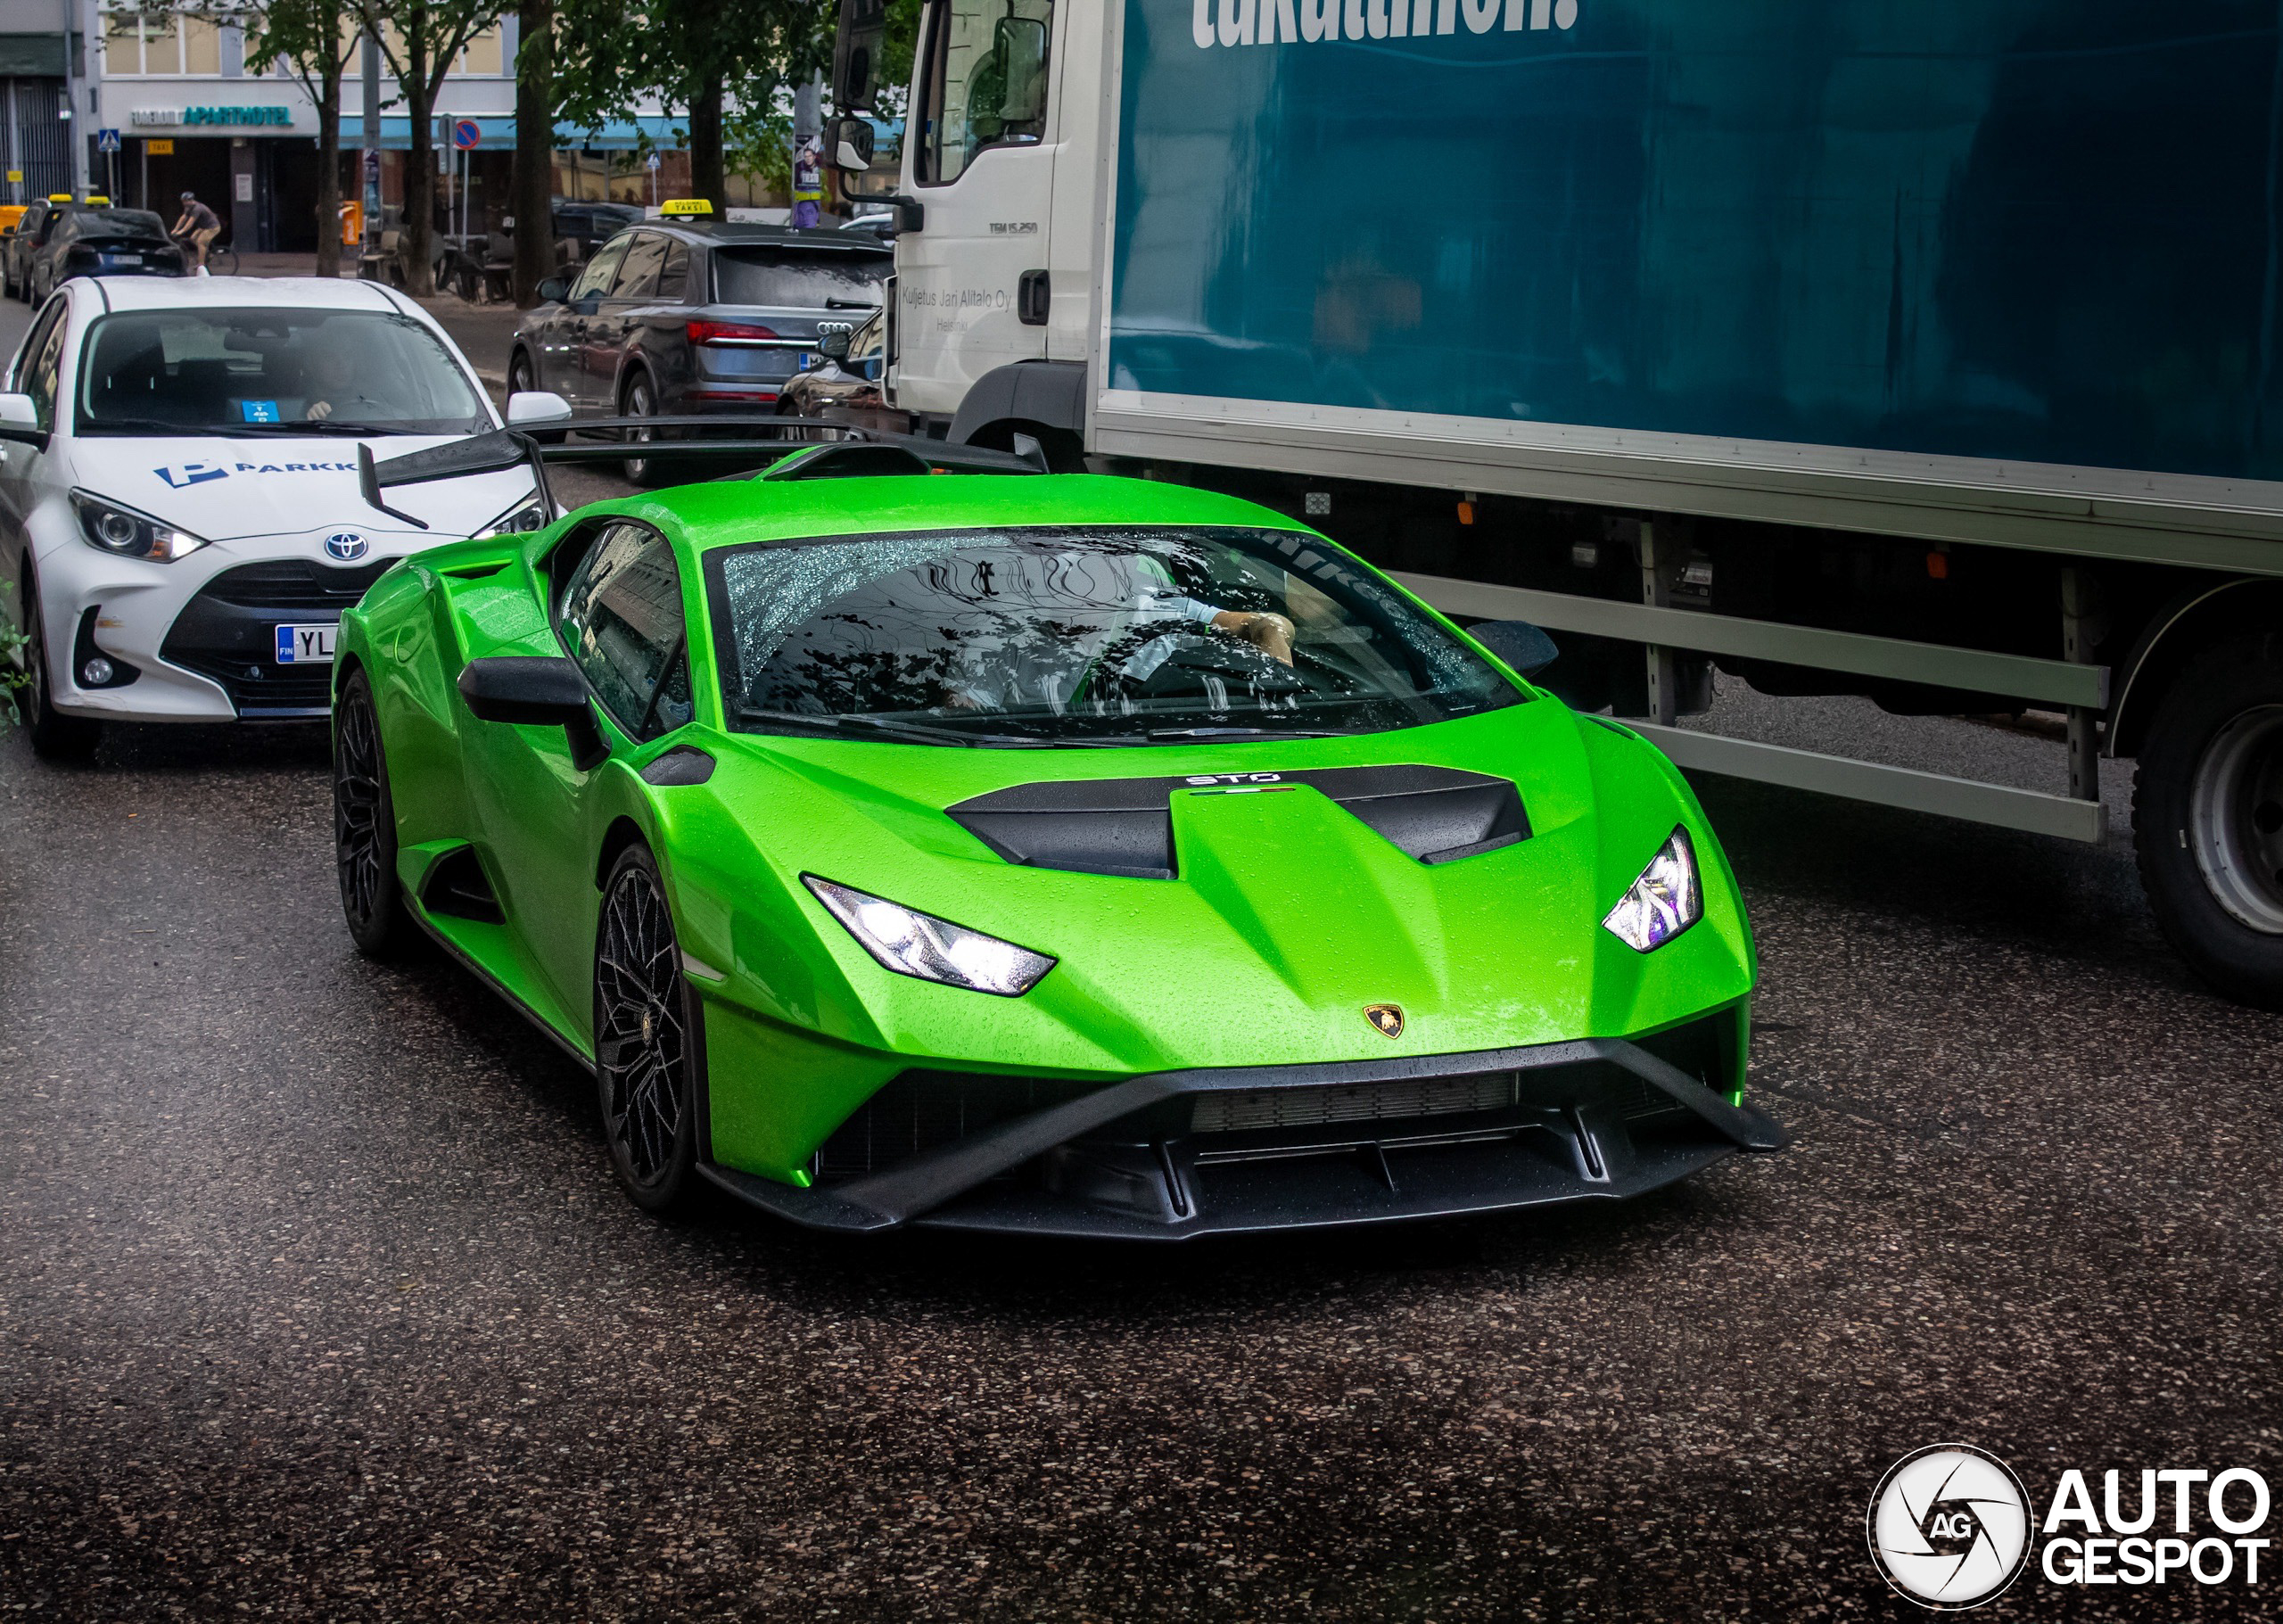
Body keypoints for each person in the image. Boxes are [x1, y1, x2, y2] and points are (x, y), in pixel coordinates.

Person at [170, 191, 220, 271]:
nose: (183, 203)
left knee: (200, 242)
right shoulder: (188, 207)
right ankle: (207, 254)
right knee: (193, 238)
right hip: (203, 227)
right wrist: (175, 229)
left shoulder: (197, 208)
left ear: (190, 200)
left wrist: (181, 231)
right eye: (182, 201)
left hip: (212, 227)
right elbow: (183, 218)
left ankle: (201, 264)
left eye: (185, 201)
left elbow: (190, 223)